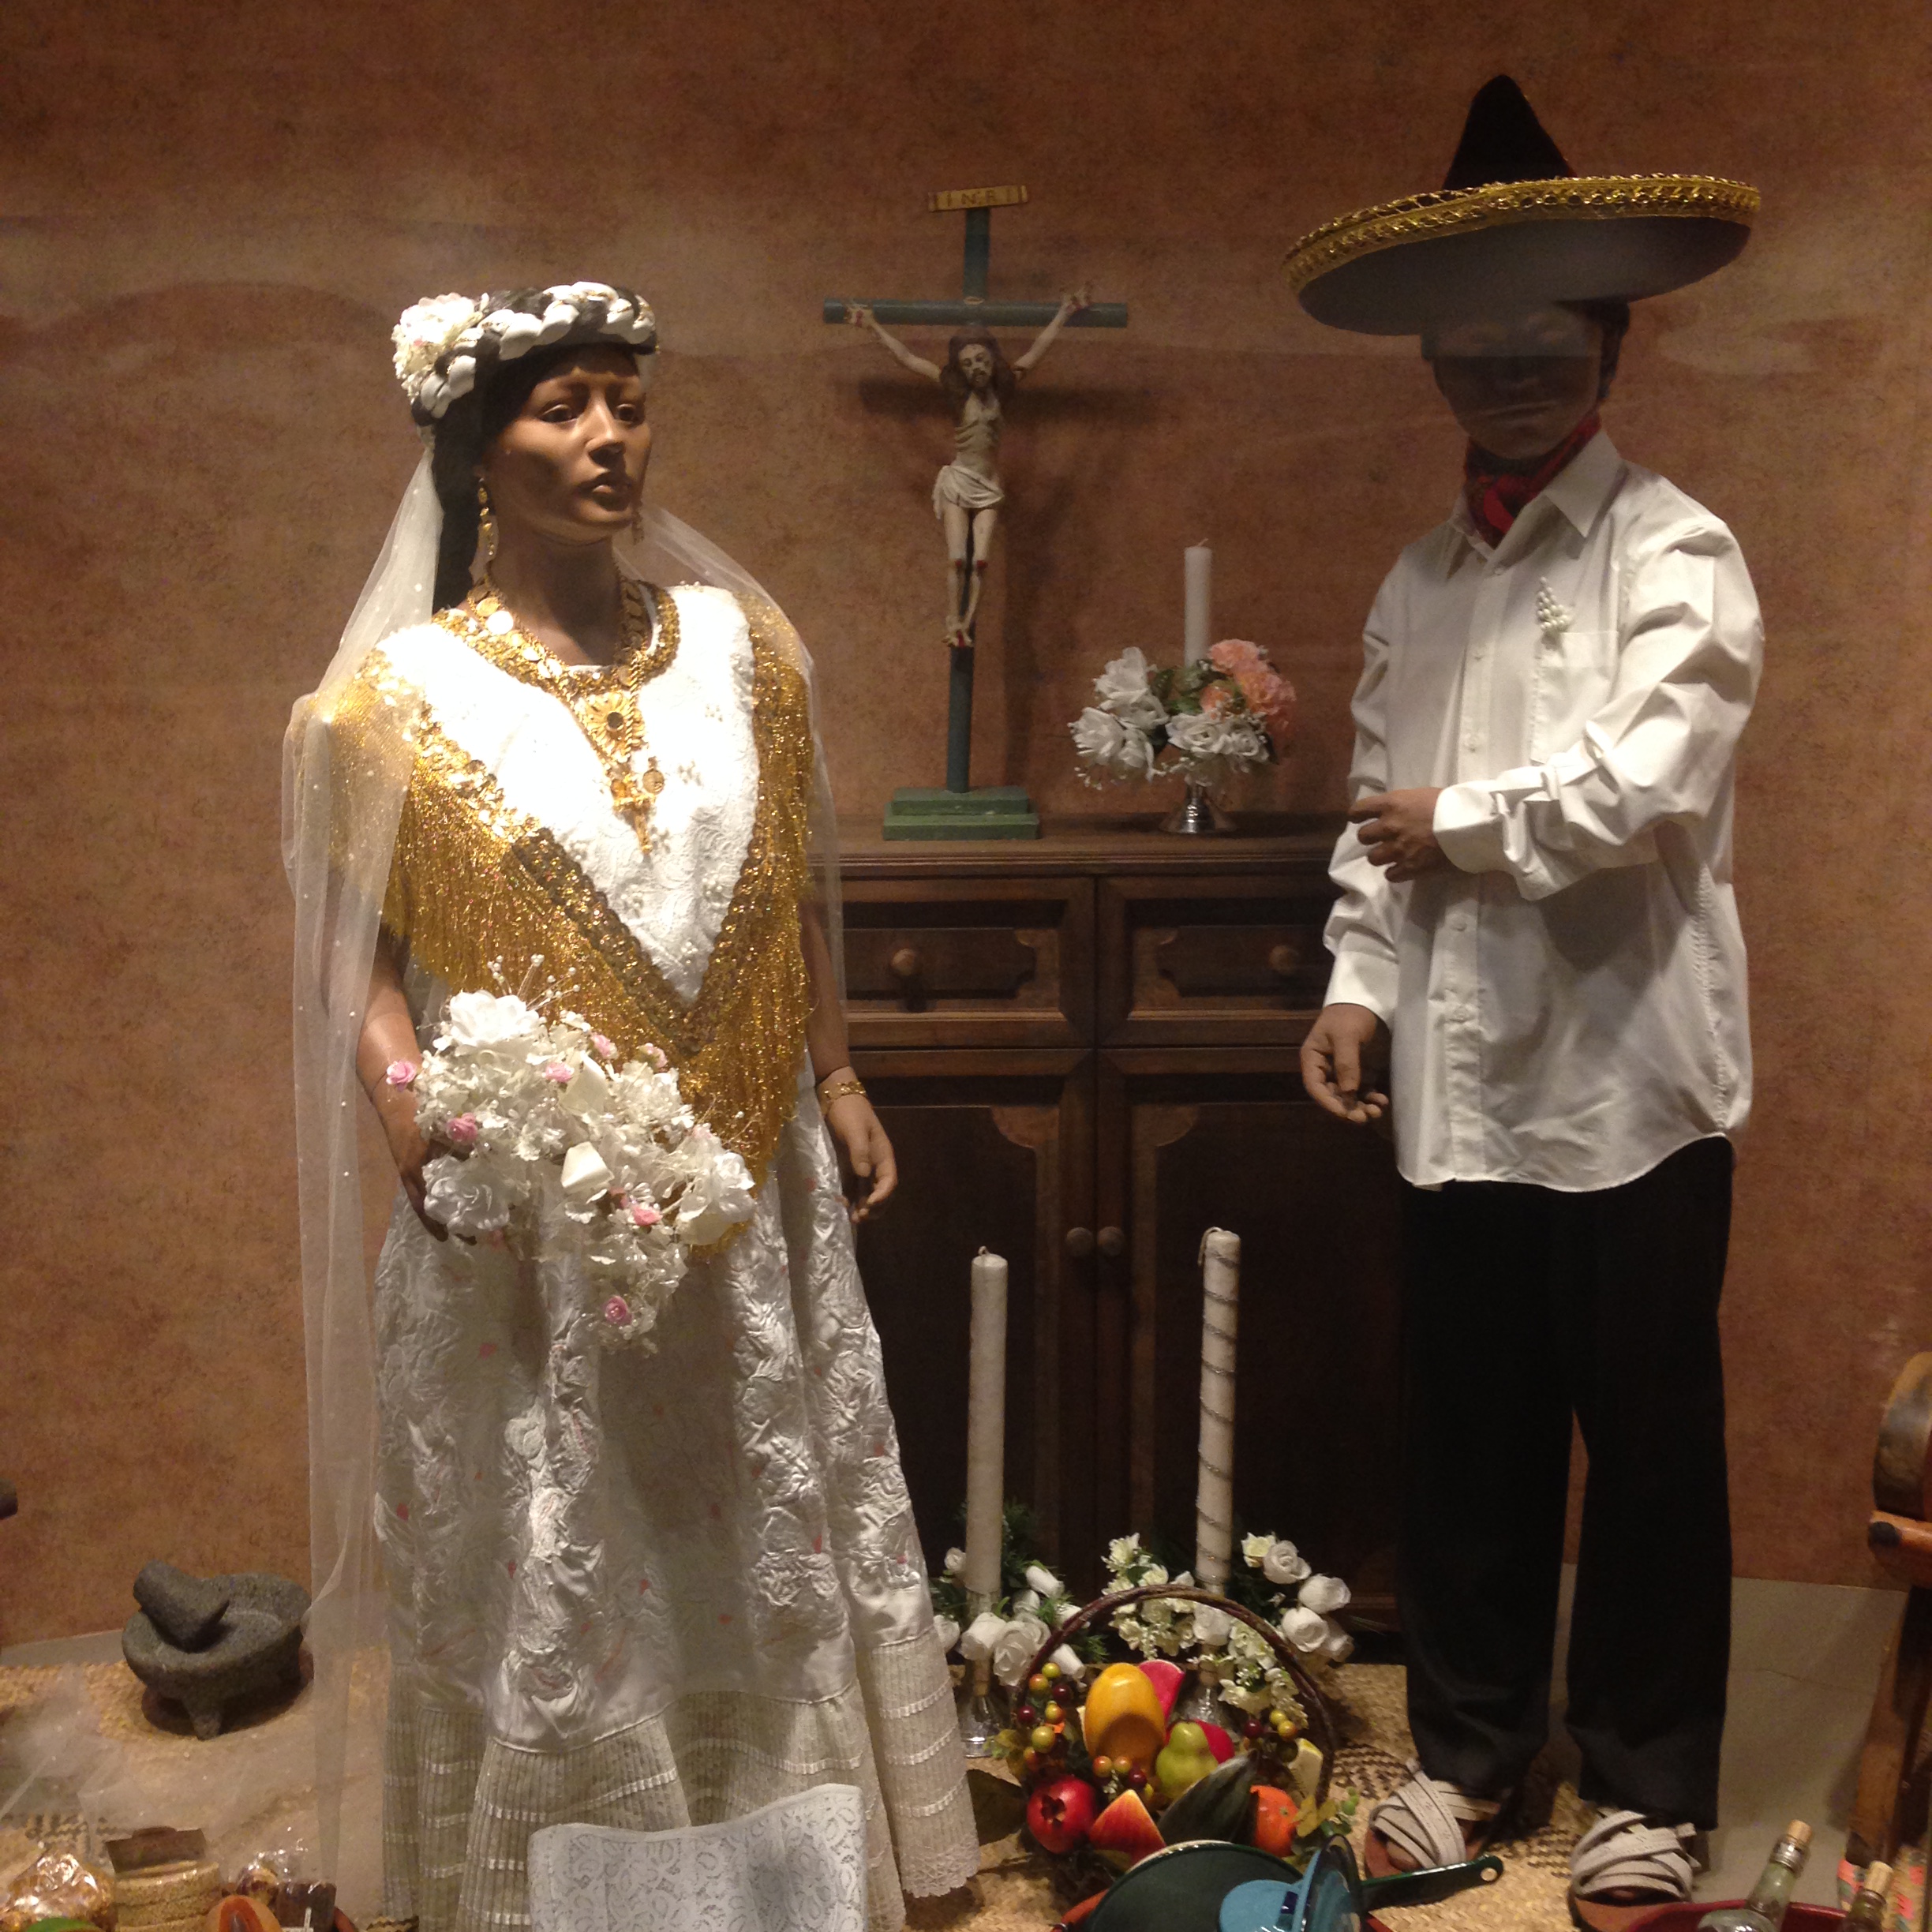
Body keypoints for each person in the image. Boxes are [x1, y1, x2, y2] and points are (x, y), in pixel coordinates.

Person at [283, 282, 977, 1932]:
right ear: (478, 449)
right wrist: (409, 1107)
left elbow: (784, 892)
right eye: (561, 408)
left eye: (628, 402)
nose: (608, 438)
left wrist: (836, 1069)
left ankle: (782, 1863)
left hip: (750, 1181)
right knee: (566, 1535)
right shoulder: (390, 702)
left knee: (758, 1519)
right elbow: (346, 951)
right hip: (528, 1218)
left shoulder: (746, 652)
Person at [1286, 80, 1763, 1930]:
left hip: (1631, 1077)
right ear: (1429, 355)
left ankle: (1649, 1784)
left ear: (1610, 342)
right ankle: (1472, 1745)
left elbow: (1646, 779)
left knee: (1646, 1445)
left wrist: (1460, 823)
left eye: (1542, 338)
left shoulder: (1675, 551)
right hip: (1457, 1081)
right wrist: (1355, 981)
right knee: (1466, 1431)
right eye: (1471, 342)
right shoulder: (1418, 582)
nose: (1504, 372)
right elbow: (1371, 810)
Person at [846, 290, 1089, 644]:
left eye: (981, 359)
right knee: (958, 558)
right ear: (960, 369)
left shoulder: (1003, 390)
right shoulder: (956, 392)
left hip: (988, 485)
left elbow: (1038, 350)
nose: (977, 367)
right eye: (968, 363)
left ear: (992, 359)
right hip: (959, 482)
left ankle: (967, 623)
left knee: (981, 562)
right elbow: (908, 358)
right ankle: (952, 620)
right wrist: (873, 325)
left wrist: (1064, 314)